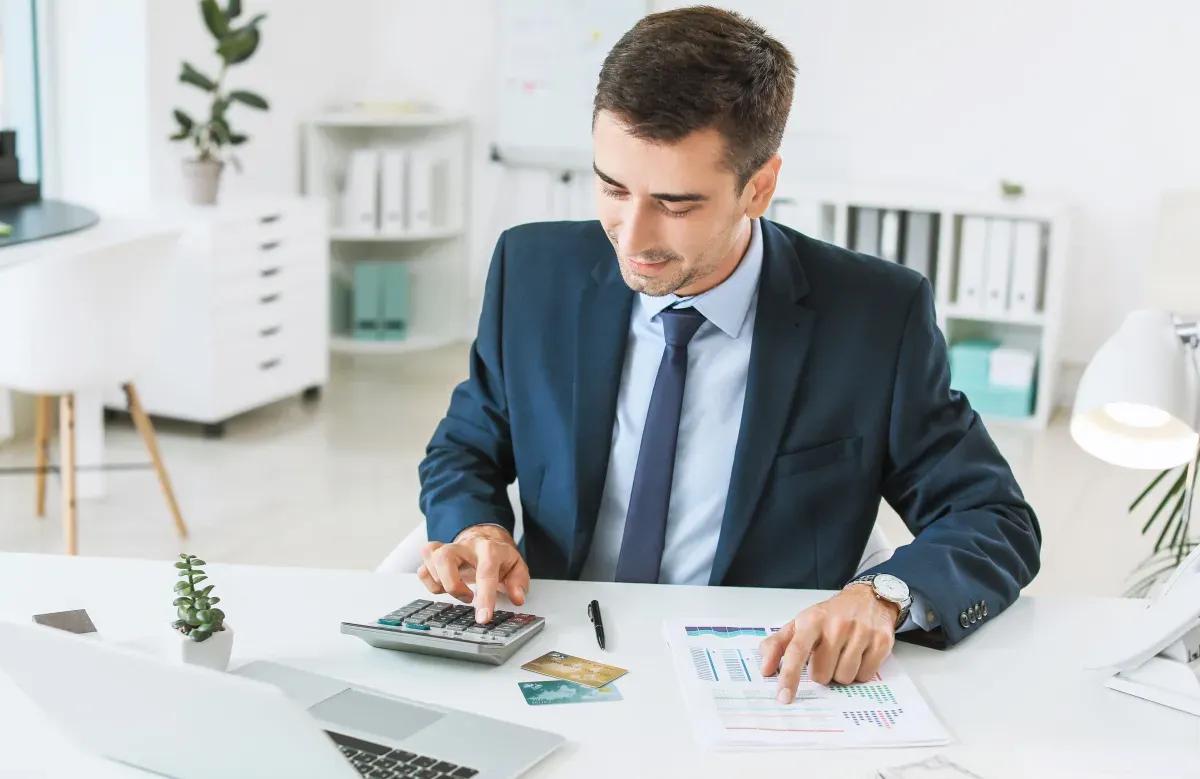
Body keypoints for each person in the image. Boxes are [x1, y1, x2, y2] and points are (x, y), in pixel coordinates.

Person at [417, 6, 1040, 704]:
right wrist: (477, 527)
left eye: (676, 204)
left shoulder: (873, 317)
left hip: (762, 679)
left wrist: (884, 594)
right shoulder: (533, 272)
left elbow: (993, 517)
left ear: (759, 187)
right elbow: (465, 447)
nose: (632, 236)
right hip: (561, 654)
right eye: (613, 188)